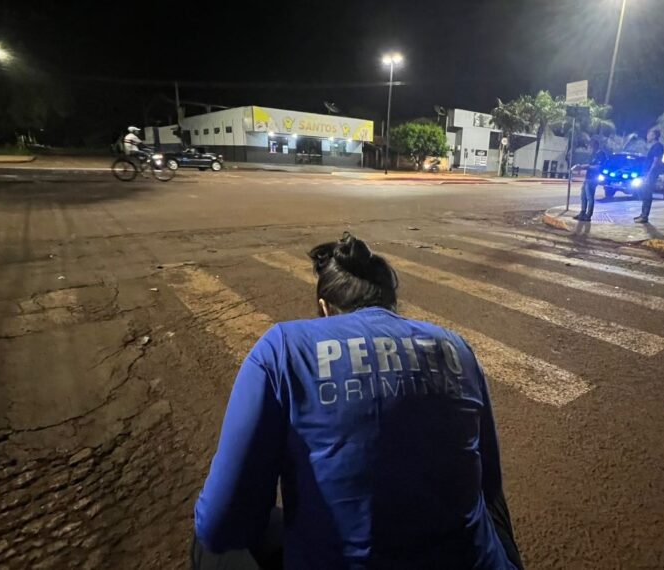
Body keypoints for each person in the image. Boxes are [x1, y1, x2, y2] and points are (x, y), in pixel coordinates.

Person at [193, 233, 523, 570]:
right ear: (391, 305)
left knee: (211, 542)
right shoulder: (457, 346)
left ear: (325, 308)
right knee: (488, 500)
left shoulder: (282, 348)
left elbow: (218, 526)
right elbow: (489, 484)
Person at [573, 139, 608, 222]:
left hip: (593, 179)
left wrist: (586, 167)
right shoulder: (593, 155)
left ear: (594, 146)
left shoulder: (600, 154)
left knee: (590, 198)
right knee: (583, 197)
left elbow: (598, 167)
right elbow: (590, 165)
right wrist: (581, 167)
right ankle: (582, 212)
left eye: (590, 147)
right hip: (587, 178)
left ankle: (588, 215)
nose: (589, 149)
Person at [635, 128, 664, 224]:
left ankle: (644, 216)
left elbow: (655, 162)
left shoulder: (657, 146)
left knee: (647, 194)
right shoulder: (654, 146)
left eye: (649, 134)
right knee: (644, 194)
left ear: (654, 136)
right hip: (647, 173)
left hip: (650, 174)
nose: (647, 136)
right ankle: (643, 214)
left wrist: (648, 175)